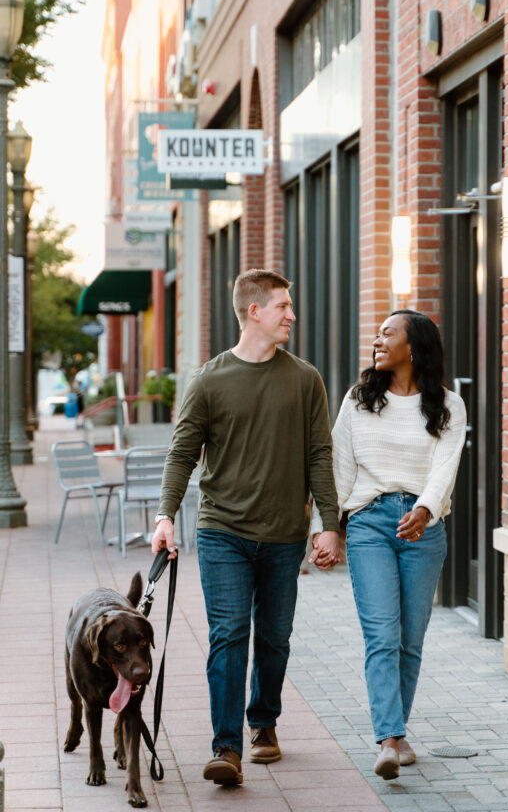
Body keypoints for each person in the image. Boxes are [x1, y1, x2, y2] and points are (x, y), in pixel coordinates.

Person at [151, 269, 340, 787]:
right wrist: (166, 515)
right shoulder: (209, 380)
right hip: (223, 531)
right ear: (254, 311)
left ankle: (264, 723)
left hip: (284, 534)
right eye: (283, 306)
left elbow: (320, 455)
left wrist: (329, 523)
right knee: (230, 634)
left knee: (275, 638)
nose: (291, 316)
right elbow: (182, 453)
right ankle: (226, 747)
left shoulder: (305, 379)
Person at [311, 309, 466, 780]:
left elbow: (445, 465)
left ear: (414, 347)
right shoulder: (359, 400)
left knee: (409, 640)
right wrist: (328, 527)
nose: (377, 341)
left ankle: (396, 734)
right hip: (370, 525)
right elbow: (338, 466)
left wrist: (425, 509)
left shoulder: (449, 405)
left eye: (387, 334)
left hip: (425, 527)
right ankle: (388, 739)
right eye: (377, 334)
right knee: (382, 634)